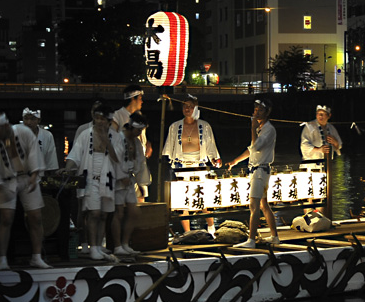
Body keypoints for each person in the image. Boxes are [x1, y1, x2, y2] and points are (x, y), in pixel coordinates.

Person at [0, 111, 51, 270]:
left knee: (36, 217)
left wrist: (34, 174)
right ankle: (2, 259)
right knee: (6, 218)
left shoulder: (23, 132)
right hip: (6, 181)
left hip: (26, 177)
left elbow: (34, 153)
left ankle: (36, 257)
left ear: (4, 126)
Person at [62, 104, 119, 261]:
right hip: (89, 177)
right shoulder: (86, 134)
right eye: (97, 118)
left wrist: (106, 140)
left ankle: (99, 246)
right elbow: (75, 155)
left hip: (107, 178)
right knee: (93, 213)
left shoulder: (115, 136)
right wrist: (68, 169)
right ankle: (93, 247)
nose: (99, 122)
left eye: (103, 119)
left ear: (108, 120)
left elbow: (117, 158)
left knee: (104, 214)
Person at [162, 94, 221, 235]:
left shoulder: (204, 126)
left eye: (190, 106)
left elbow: (211, 146)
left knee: (204, 197)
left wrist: (215, 159)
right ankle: (188, 232)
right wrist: (167, 160)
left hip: (200, 164)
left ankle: (211, 228)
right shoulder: (174, 126)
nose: (187, 109)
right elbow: (168, 149)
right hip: (181, 165)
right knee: (183, 200)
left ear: (196, 108)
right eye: (185, 106)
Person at [225, 99, 279, 248]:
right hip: (258, 170)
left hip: (260, 171)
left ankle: (251, 240)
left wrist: (252, 127)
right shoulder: (261, 129)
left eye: (260, 110)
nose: (256, 113)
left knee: (253, 206)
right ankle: (274, 236)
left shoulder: (269, 129)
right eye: (255, 110)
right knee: (263, 205)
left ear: (267, 113)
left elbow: (256, 147)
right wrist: (235, 161)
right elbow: (250, 149)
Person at [111, 112, 150, 256]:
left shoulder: (136, 141)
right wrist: (121, 177)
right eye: (138, 130)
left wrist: (140, 182)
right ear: (132, 127)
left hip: (130, 179)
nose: (139, 133)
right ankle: (117, 246)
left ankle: (125, 243)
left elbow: (140, 161)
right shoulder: (119, 138)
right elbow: (114, 159)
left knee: (134, 212)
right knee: (119, 212)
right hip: (118, 179)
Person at [112, 85, 152, 202]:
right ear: (133, 98)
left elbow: (142, 137)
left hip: (139, 162)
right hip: (123, 167)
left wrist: (147, 144)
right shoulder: (117, 115)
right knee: (122, 204)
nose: (142, 101)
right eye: (140, 98)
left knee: (140, 199)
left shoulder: (139, 116)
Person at [20, 108, 59, 174]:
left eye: (32, 119)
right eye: (26, 119)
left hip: (39, 177)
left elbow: (50, 163)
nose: (29, 122)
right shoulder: (15, 134)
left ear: (39, 120)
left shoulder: (47, 136)